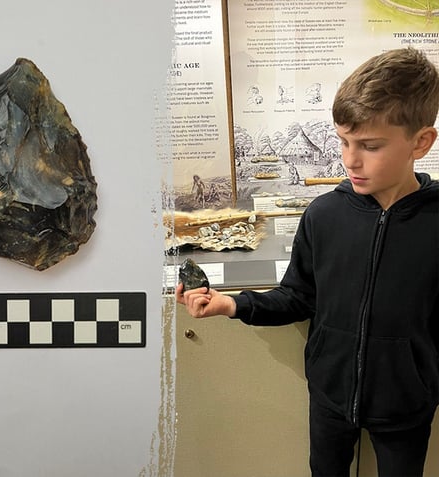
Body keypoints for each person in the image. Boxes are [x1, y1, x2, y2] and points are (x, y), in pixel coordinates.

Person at [177, 47, 439, 477]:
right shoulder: (324, 216)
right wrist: (233, 305)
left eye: (369, 146)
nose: (349, 160)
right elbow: (298, 296)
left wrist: (422, 379)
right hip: (330, 399)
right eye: (343, 142)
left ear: (421, 142)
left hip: (407, 406)